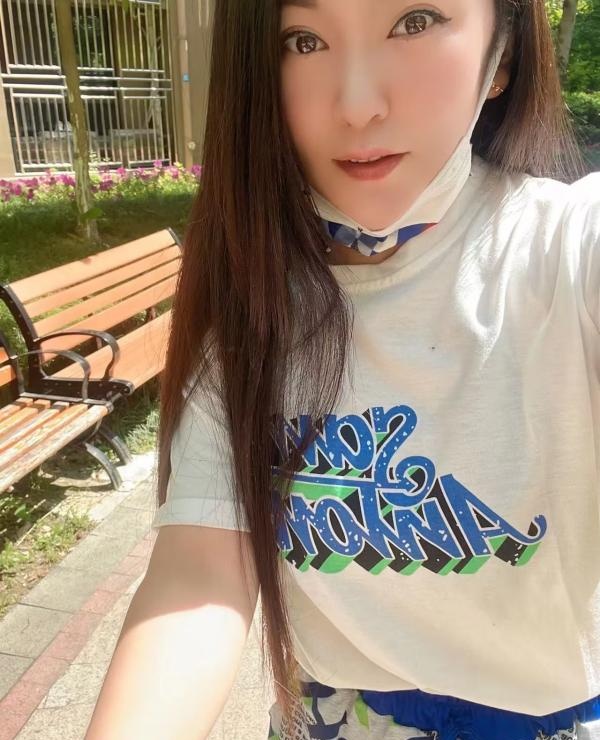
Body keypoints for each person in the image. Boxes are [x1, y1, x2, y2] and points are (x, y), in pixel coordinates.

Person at [85, 1, 600, 739]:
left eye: (415, 21)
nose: (357, 105)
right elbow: (200, 575)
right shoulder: (256, 305)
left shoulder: (567, 252)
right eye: (303, 40)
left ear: (504, 53)